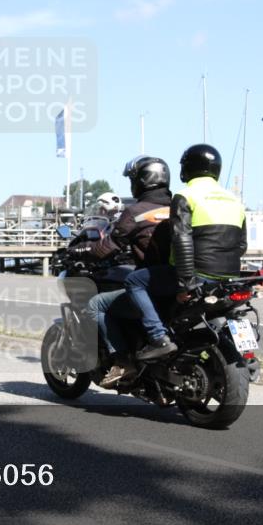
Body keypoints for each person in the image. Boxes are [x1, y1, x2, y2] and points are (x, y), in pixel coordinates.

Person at [124, 144, 247, 364]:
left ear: (187, 168)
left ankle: (158, 338)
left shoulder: (185, 195)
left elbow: (181, 241)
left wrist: (185, 284)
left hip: (196, 275)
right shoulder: (234, 200)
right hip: (229, 277)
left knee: (134, 281)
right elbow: (242, 245)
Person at [69, 156, 173, 388]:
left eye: (133, 179)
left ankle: (122, 360)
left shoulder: (136, 211)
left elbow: (106, 247)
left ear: (142, 181)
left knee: (97, 304)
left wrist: (80, 251)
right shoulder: (177, 206)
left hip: (154, 281)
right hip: (180, 280)